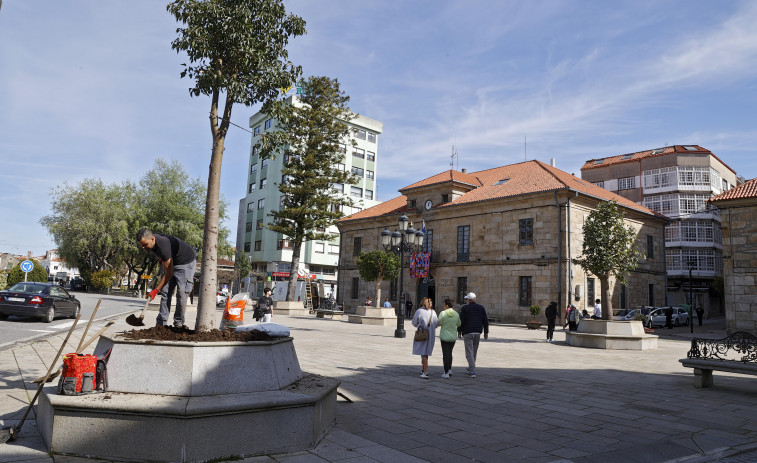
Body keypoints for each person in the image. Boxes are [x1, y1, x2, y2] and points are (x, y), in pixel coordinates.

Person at [136, 228, 197, 328]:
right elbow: (166, 255)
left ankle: (178, 324)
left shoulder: (162, 243)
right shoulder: (151, 244)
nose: (143, 247)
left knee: (181, 293)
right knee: (165, 293)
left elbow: (169, 273)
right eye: (141, 245)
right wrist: (164, 259)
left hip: (185, 263)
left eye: (144, 244)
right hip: (173, 261)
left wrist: (156, 290)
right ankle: (161, 324)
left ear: (152, 238)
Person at [457, 292, 489, 378]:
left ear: (469, 300)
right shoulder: (481, 308)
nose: (466, 300)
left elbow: (461, 321)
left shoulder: (465, 308)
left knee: (469, 352)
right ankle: (471, 366)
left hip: (468, 332)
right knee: (474, 351)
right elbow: (485, 321)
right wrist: (486, 333)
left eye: (467, 299)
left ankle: (472, 370)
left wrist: (459, 331)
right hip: (477, 332)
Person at [411, 297, 438, 379]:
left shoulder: (419, 311)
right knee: (425, 353)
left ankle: (426, 372)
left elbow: (414, 323)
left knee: (423, 353)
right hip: (431, 334)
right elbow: (436, 324)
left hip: (422, 333)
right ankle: (423, 369)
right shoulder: (433, 312)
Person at [437, 298, 460, 378]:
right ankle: (450, 369)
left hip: (444, 336)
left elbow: (439, 322)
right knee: (450, 353)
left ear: (446, 305)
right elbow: (459, 323)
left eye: (444, 305)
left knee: (445, 354)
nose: (443, 306)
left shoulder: (443, 313)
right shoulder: (456, 314)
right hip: (453, 336)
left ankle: (446, 372)